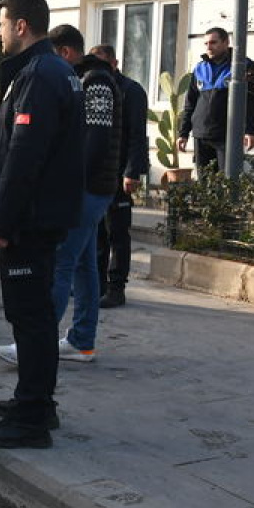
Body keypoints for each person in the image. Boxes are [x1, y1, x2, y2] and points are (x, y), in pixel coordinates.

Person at [0, 0, 84, 450]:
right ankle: (36, 402)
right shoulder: (48, 71)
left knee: (31, 317)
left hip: (30, 220)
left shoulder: (40, 76)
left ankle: (32, 416)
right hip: (41, 215)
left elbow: (23, 156)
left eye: (2, 23)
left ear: (22, 26)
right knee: (34, 313)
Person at [0, 24, 121, 367]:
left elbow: (94, 140)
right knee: (83, 267)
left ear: (65, 52)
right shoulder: (87, 79)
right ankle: (81, 341)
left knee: (62, 263)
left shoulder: (95, 82)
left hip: (88, 189)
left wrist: (73, 183)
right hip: (95, 187)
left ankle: (35, 345)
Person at [89, 44, 149, 309]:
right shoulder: (93, 87)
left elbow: (137, 135)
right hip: (99, 174)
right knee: (98, 232)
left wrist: (132, 171)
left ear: (114, 62)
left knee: (118, 233)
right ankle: (98, 284)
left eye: (103, 64)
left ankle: (116, 287)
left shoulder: (131, 91)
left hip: (120, 173)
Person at [177, 27, 254, 173]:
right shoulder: (199, 68)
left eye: (213, 42)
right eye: (206, 44)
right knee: (204, 185)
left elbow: (253, 102)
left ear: (226, 42)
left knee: (227, 183)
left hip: (227, 136)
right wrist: (183, 133)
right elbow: (190, 103)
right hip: (201, 135)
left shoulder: (244, 66)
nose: (209, 47)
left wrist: (251, 131)